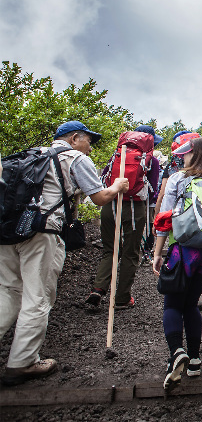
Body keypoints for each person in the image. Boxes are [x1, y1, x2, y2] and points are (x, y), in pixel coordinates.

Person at [0, 121, 129, 386]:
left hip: (8, 230)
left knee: (8, 292)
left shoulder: (31, 154)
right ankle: (22, 363)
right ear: (74, 138)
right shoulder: (75, 158)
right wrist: (117, 186)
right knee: (37, 296)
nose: (90, 147)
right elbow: (100, 198)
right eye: (88, 141)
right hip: (42, 232)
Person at [151, 136, 202, 391]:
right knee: (192, 302)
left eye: (187, 153)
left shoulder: (179, 179)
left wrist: (157, 252)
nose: (183, 156)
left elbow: (165, 220)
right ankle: (195, 360)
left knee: (173, 303)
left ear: (195, 155)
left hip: (186, 251)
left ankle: (177, 352)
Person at [85, 125, 162, 311]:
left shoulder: (118, 154)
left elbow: (104, 177)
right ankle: (122, 297)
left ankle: (98, 290)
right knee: (130, 252)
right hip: (135, 208)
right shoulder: (152, 161)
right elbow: (152, 189)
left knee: (110, 249)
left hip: (110, 203)